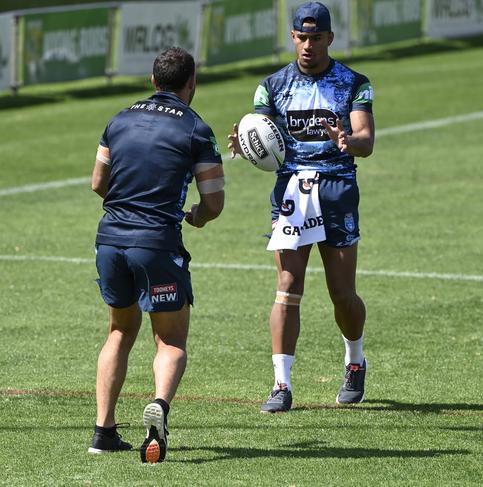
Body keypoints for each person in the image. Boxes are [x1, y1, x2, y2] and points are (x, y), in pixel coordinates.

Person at [228, 1, 375, 413]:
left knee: (342, 294)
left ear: (329, 38)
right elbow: (261, 130)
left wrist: (348, 140)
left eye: (315, 38)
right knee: (288, 289)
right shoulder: (272, 86)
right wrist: (246, 142)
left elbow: (366, 138)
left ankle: (355, 358)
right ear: (293, 37)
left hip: (337, 188)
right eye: (301, 37)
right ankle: (281, 384)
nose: (308, 45)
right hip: (291, 190)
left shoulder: (354, 83)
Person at [88, 47, 225, 462]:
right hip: (157, 244)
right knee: (170, 340)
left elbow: (98, 183)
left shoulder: (119, 119)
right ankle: (159, 408)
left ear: (152, 81)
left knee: (118, 331)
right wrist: (196, 217)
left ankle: (103, 431)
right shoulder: (197, 129)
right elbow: (213, 202)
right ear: (191, 84)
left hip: (110, 240)